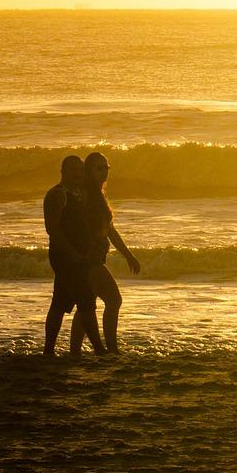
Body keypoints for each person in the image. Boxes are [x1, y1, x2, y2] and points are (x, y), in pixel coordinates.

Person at [44, 154, 103, 356]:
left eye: (81, 171)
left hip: (79, 257)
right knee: (86, 302)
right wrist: (72, 253)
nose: (79, 174)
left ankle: (48, 351)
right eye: (74, 171)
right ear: (63, 172)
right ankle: (99, 349)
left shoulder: (79, 194)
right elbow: (53, 229)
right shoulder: (57, 195)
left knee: (59, 303)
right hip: (65, 257)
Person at [84, 151, 142, 353]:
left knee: (86, 306)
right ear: (89, 170)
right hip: (89, 259)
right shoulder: (88, 196)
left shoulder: (99, 194)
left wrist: (128, 254)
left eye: (106, 168)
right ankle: (111, 349)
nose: (104, 172)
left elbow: (110, 230)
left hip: (94, 257)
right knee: (114, 300)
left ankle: (75, 352)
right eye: (98, 168)